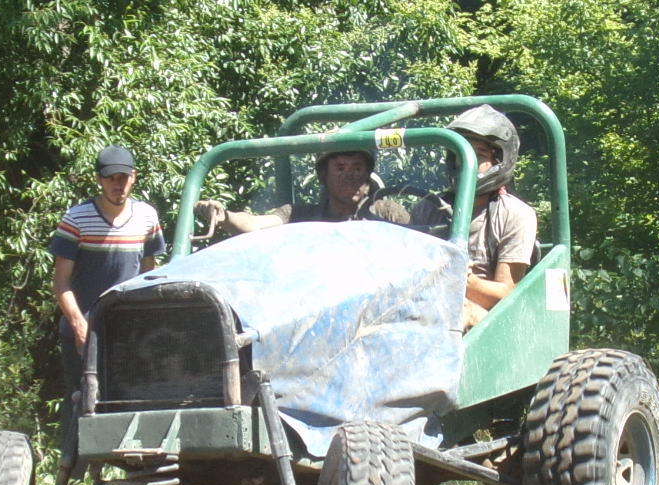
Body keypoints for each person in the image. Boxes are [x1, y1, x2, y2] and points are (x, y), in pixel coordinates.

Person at [50, 145, 167, 392]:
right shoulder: (76, 219)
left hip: (129, 332)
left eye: (123, 177)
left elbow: (147, 276)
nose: (117, 184)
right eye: (110, 178)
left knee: (127, 399)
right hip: (84, 331)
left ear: (133, 177)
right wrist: (79, 325)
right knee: (81, 401)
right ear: (98, 180)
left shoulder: (147, 217)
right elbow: (61, 282)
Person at [409, 105, 537, 329]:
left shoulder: (515, 214)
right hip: (427, 310)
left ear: (499, 161)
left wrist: (461, 278)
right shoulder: (427, 209)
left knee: (460, 311)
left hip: (493, 324)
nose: (467, 163)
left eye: (479, 155)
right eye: (461, 154)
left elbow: (507, 297)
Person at [193, 149, 407, 237]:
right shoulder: (299, 215)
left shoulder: (388, 213)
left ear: (367, 176)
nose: (349, 176)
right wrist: (225, 216)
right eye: (340, 168)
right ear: (324, 175)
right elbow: (254, 224)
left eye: (357, 168)